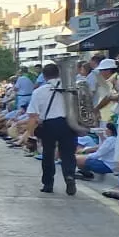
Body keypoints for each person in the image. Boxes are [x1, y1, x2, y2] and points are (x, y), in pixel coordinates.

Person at [25, 63, 78, 194]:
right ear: (59, 74)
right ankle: (69, 176)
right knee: (68, 154)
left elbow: (33, 116)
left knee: (48, 154)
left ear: (44, 76)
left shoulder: (38, 92)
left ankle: (48, 184)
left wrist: (30, 135)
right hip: (68, 124)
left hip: (48, 125)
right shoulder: (71, 88)